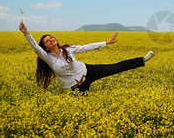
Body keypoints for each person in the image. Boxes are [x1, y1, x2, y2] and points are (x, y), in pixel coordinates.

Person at [19, 21, 154, 93]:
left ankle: (142, 60)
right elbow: (35, 46)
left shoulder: (67, 49)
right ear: (46, 47)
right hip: (76, 86)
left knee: (117, 67)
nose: (51, 40)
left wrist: (106, 42)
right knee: (83, 107)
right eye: (47, 41)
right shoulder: (47, 57)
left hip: (87, 71)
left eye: (52, 37)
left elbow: (86, 47)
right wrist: (26, 32)